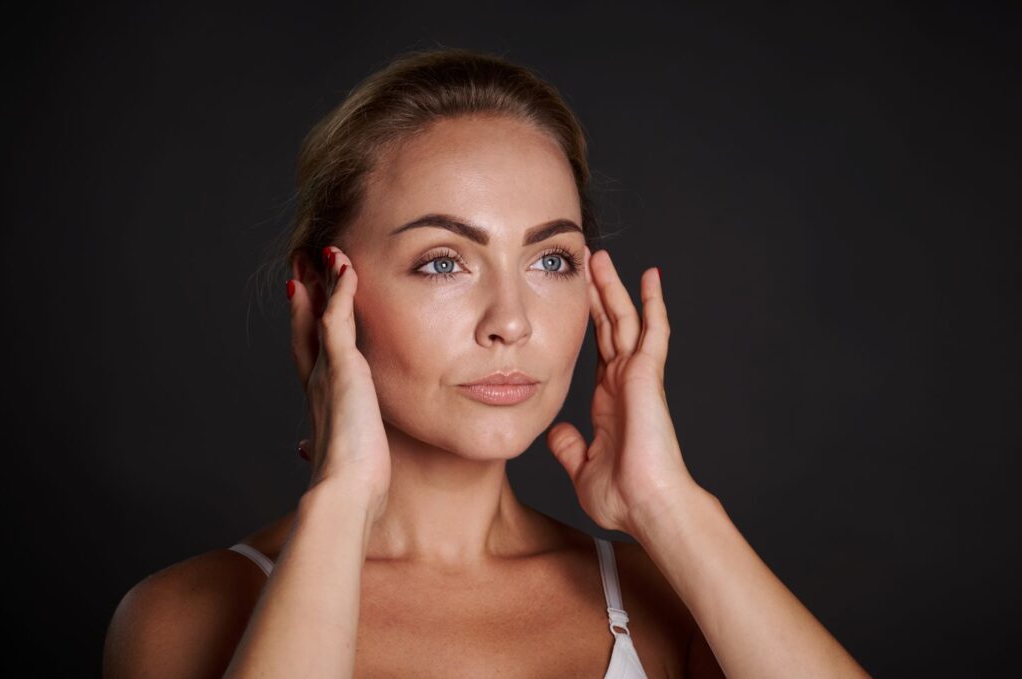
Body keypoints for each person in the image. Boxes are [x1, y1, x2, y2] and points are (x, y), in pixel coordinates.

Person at [102, 47, 870, 678]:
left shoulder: (665, 600)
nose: (511, 320)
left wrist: (667, 504)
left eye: (550, 260)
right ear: (322, 289)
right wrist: (340, 503)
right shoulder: (189, 615)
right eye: (443, 261)